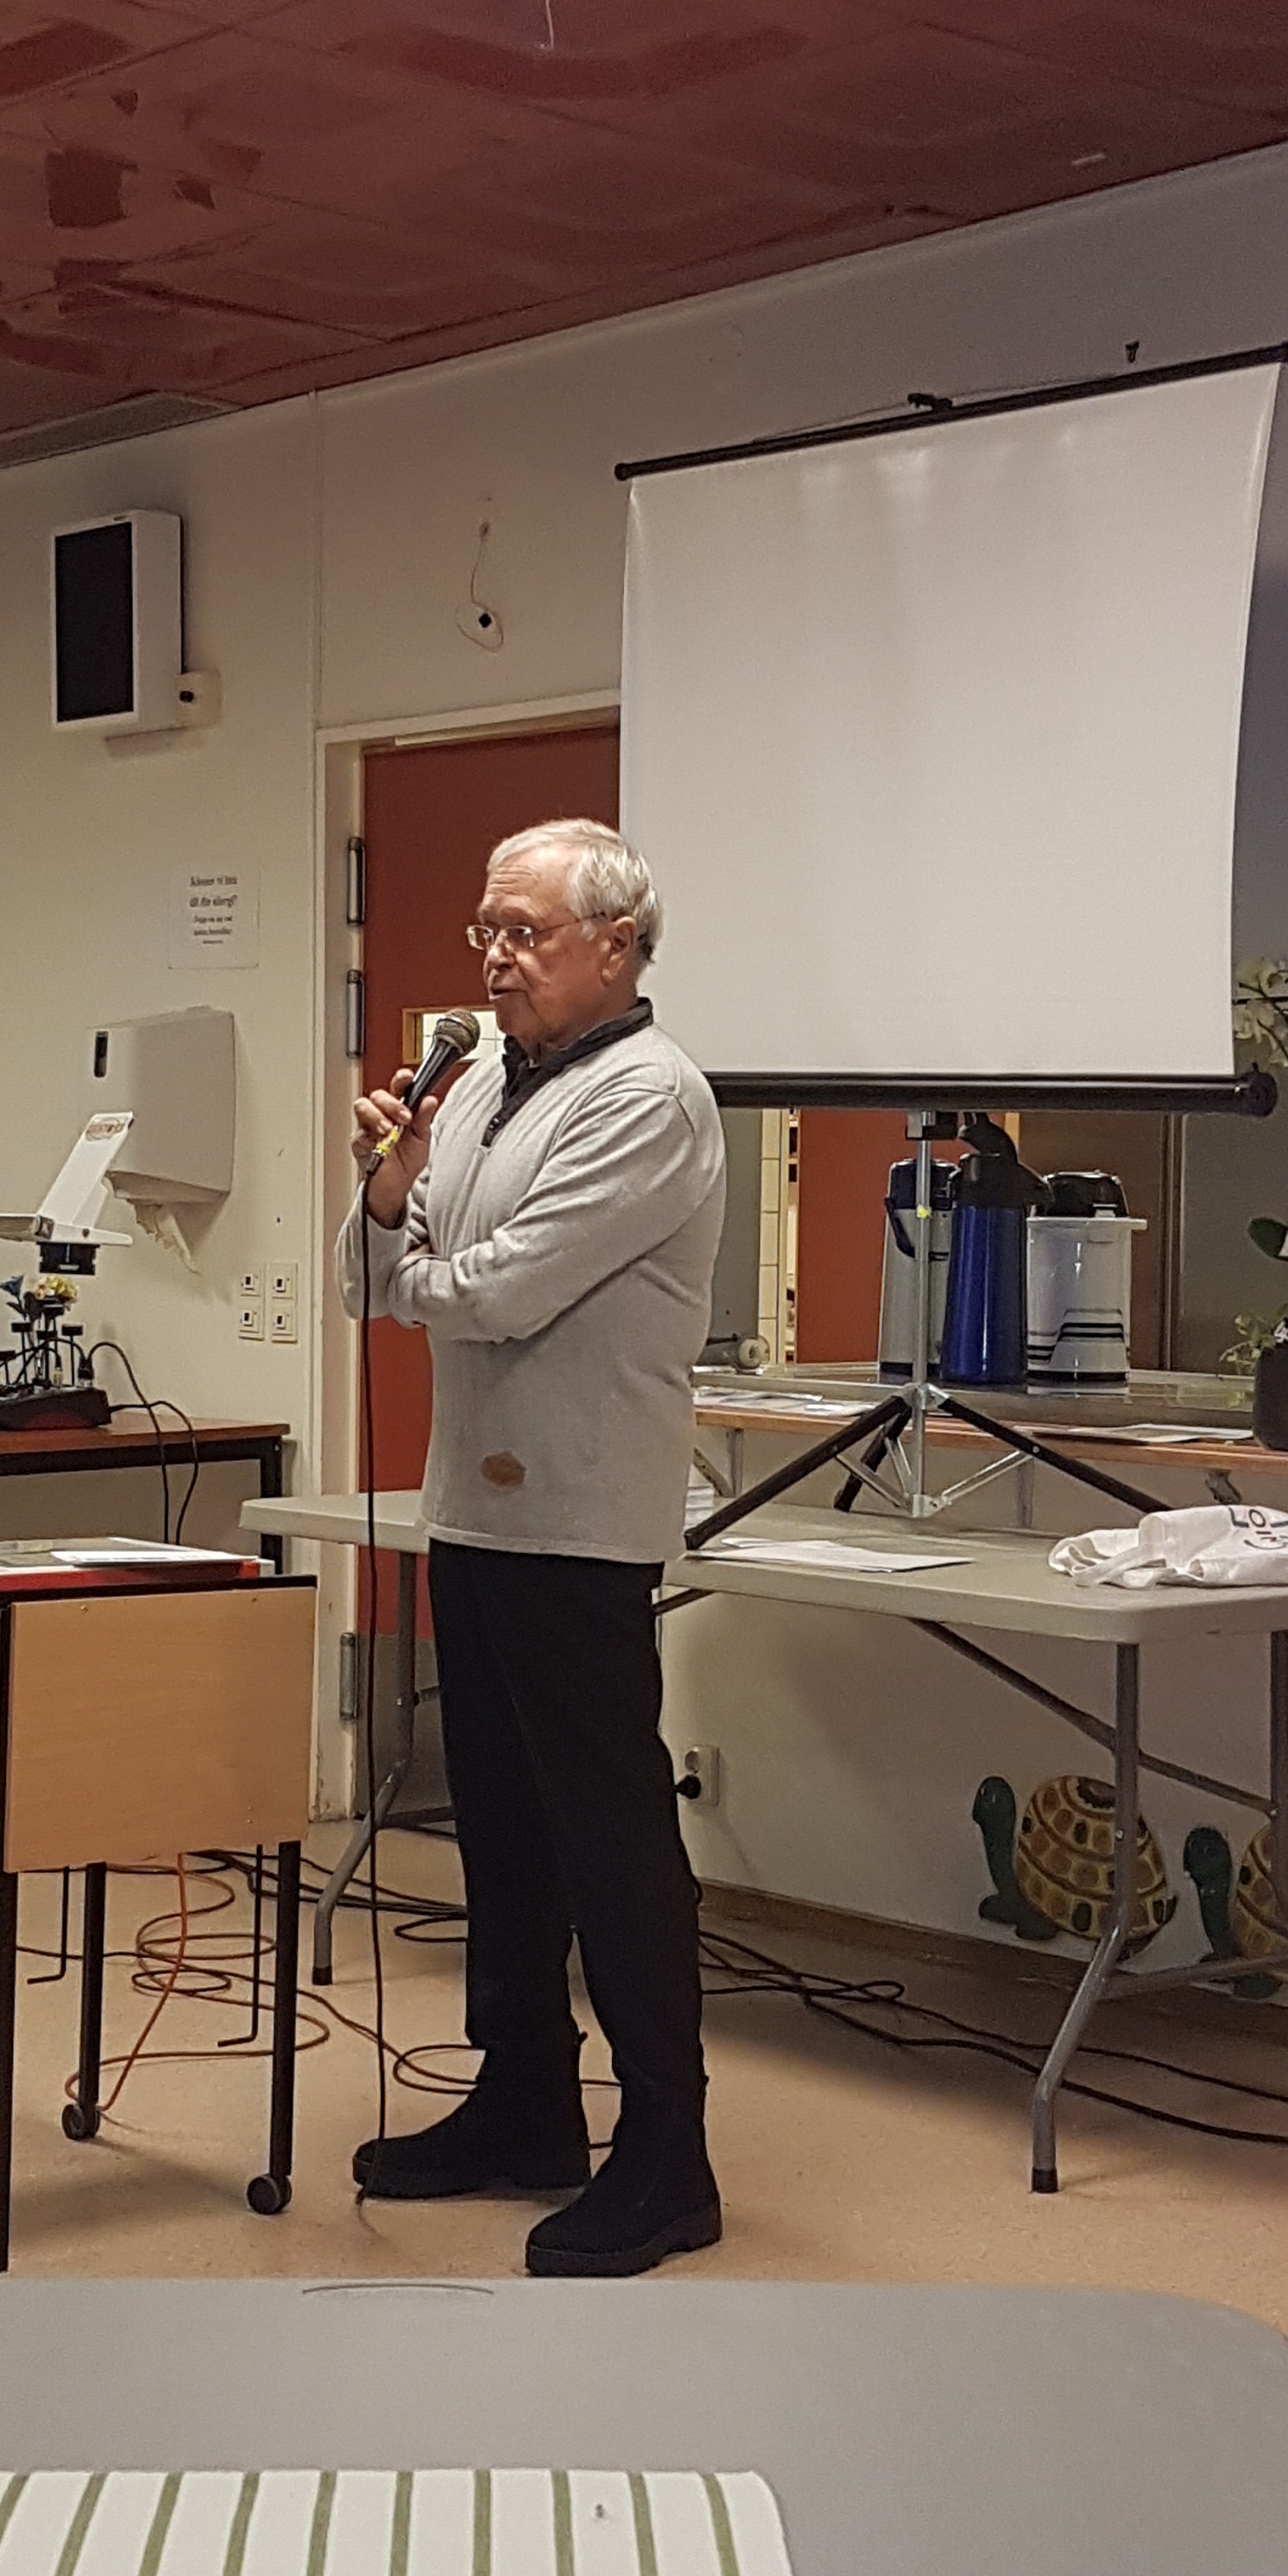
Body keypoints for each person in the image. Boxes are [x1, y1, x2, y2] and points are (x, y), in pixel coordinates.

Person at [336, 816, 727, 2277]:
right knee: (497, 1825)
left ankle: (667, 2155)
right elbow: (370, 1273)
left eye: (526, 932)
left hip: (581, 1517)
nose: (495, 958)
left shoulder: (653, 1097)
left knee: (608, 1838)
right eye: (484, 931)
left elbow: (498, 1292)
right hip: (475, 1507)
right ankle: (523, 2104)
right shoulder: (481, 1079)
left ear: (616, 948)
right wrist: (391, 1189)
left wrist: (417, 1267)